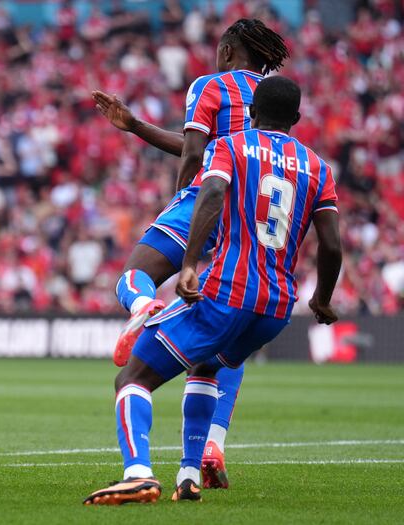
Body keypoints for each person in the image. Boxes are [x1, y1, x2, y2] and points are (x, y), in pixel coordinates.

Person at [84, 76, 342, 505]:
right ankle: (189, 474)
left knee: (132, 378)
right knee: (206, 367)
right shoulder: (318, 167)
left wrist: (188, 266)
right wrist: (323, 299)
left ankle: (138, 474)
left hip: (226, 292)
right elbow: (332, 244)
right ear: (297, 119)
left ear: (252, 112)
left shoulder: (232, 145)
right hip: (275, 308)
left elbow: (213, 193)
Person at [91, 18, 289, 488]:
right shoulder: (272, 97)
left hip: (206, 199)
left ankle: (143, 308)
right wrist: (136, 126)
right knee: (222, 347)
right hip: (249, 219)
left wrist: (183, 197)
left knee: (132, 276)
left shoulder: (212, 85)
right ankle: (202, 455)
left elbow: (196, 151)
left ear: (226, 52)